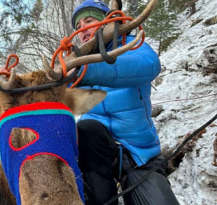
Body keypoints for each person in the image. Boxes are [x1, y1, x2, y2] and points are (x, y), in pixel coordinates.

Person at [71, 0, 179, 204]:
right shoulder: (75, 62)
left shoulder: (131, 45)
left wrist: (86, 71)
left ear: (106, 23)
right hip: (96, 153)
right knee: (85, 128)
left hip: (139, 156)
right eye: (78, 27)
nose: (82, 29)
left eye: (88, 21)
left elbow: (149, 66)